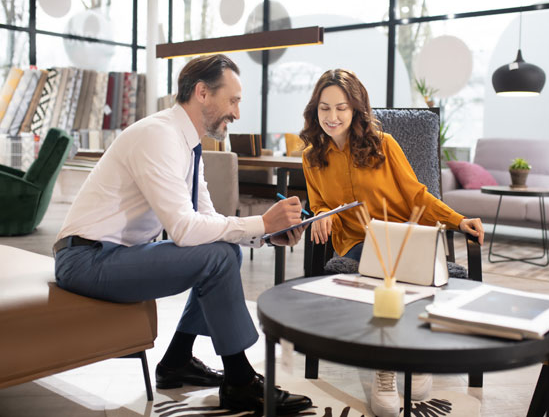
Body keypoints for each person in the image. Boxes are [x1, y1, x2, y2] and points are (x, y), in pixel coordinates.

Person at [53, 54, 312, 415]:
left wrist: (267, 236)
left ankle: (176, 362)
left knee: (225, 251)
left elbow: (206, 219)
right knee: (219, 256)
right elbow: (184, 229)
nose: (237, 113)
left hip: (112, 254)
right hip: (87, 259)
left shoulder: (186, 143)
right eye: (233, 100)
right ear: (203, 92)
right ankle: (239, 381)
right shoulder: (157, 136)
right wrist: (262, 224)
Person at [300, 69, 484, 417]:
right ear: (315, 110)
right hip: (355, 241)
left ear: (355, 109)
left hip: (404, 236)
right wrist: (322, 213)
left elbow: (417, 195)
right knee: (380, 264)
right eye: (324, 108)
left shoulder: (384, 145)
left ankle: (414, 353)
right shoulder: (312, 157)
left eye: (341, 107)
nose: (332, 117)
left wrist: (457, 219)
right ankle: (386, 367)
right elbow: (321, 202)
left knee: (394, 261)